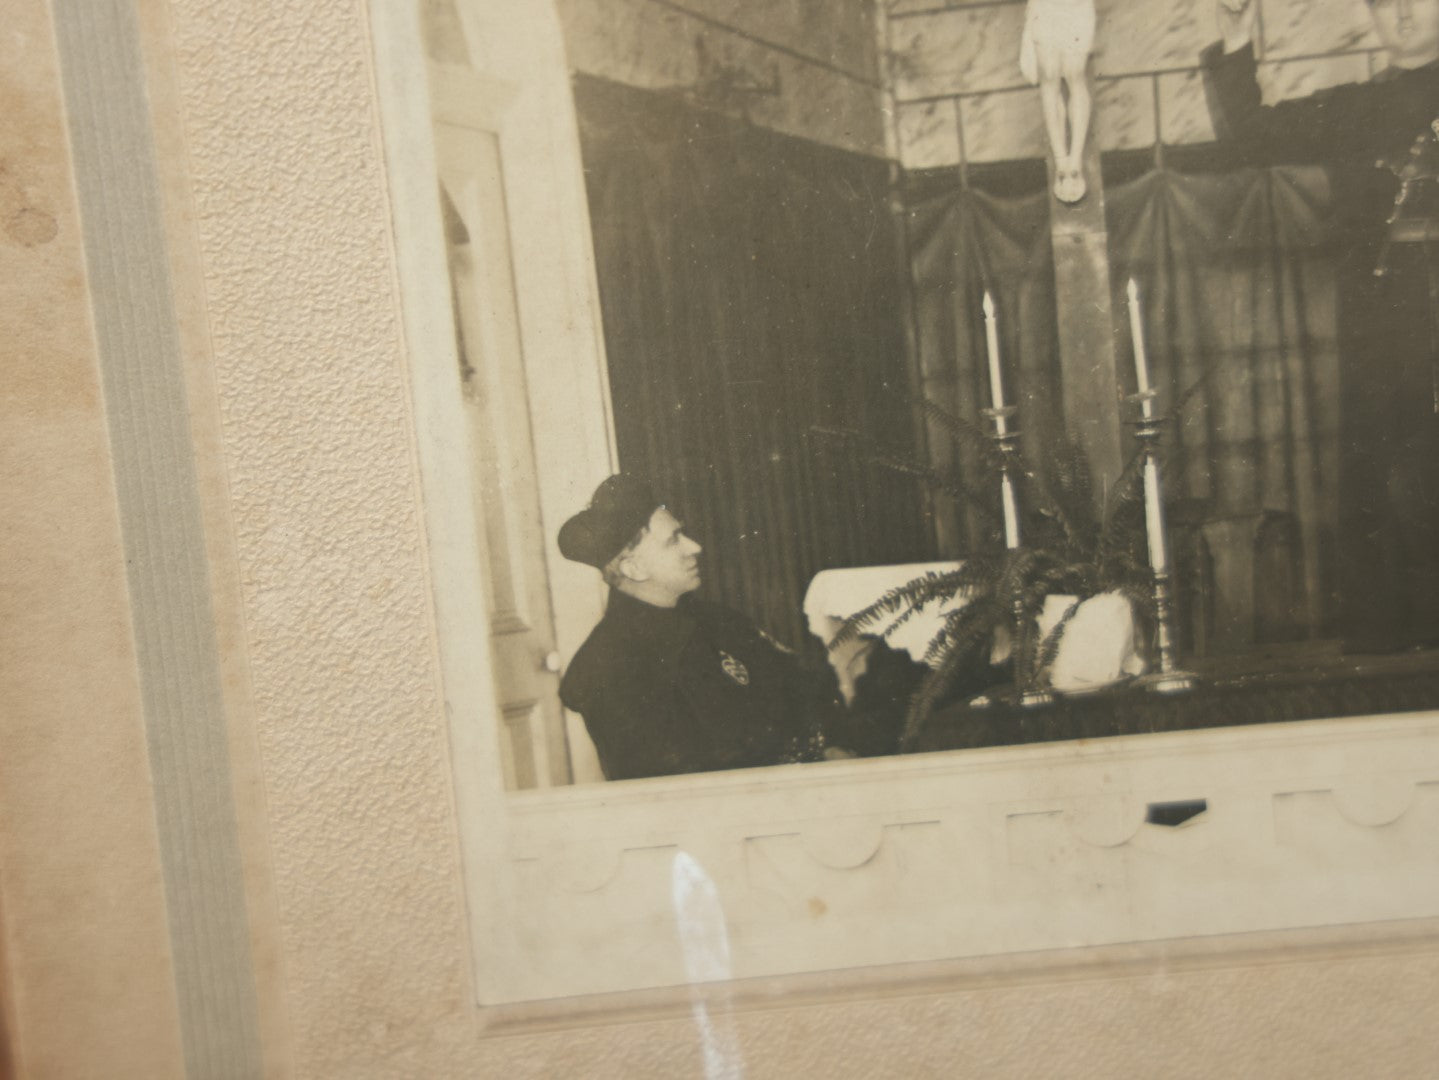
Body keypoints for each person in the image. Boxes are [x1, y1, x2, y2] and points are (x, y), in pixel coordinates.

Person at [1201, 0, 1439, 649]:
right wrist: (1235, 34)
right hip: (1385, 330)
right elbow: (1249, 134)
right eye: (1384, 3)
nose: (1402, 15)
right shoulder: (1356, 109)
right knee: (1391, 482)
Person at [557, 475, 901, 781]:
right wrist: (813, 758)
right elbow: (677, 787)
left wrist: (829, 745)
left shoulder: (716, 619)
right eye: (674, 540)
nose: (695, 547)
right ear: (633, 568)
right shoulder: (606, 667)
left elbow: (800, 687)